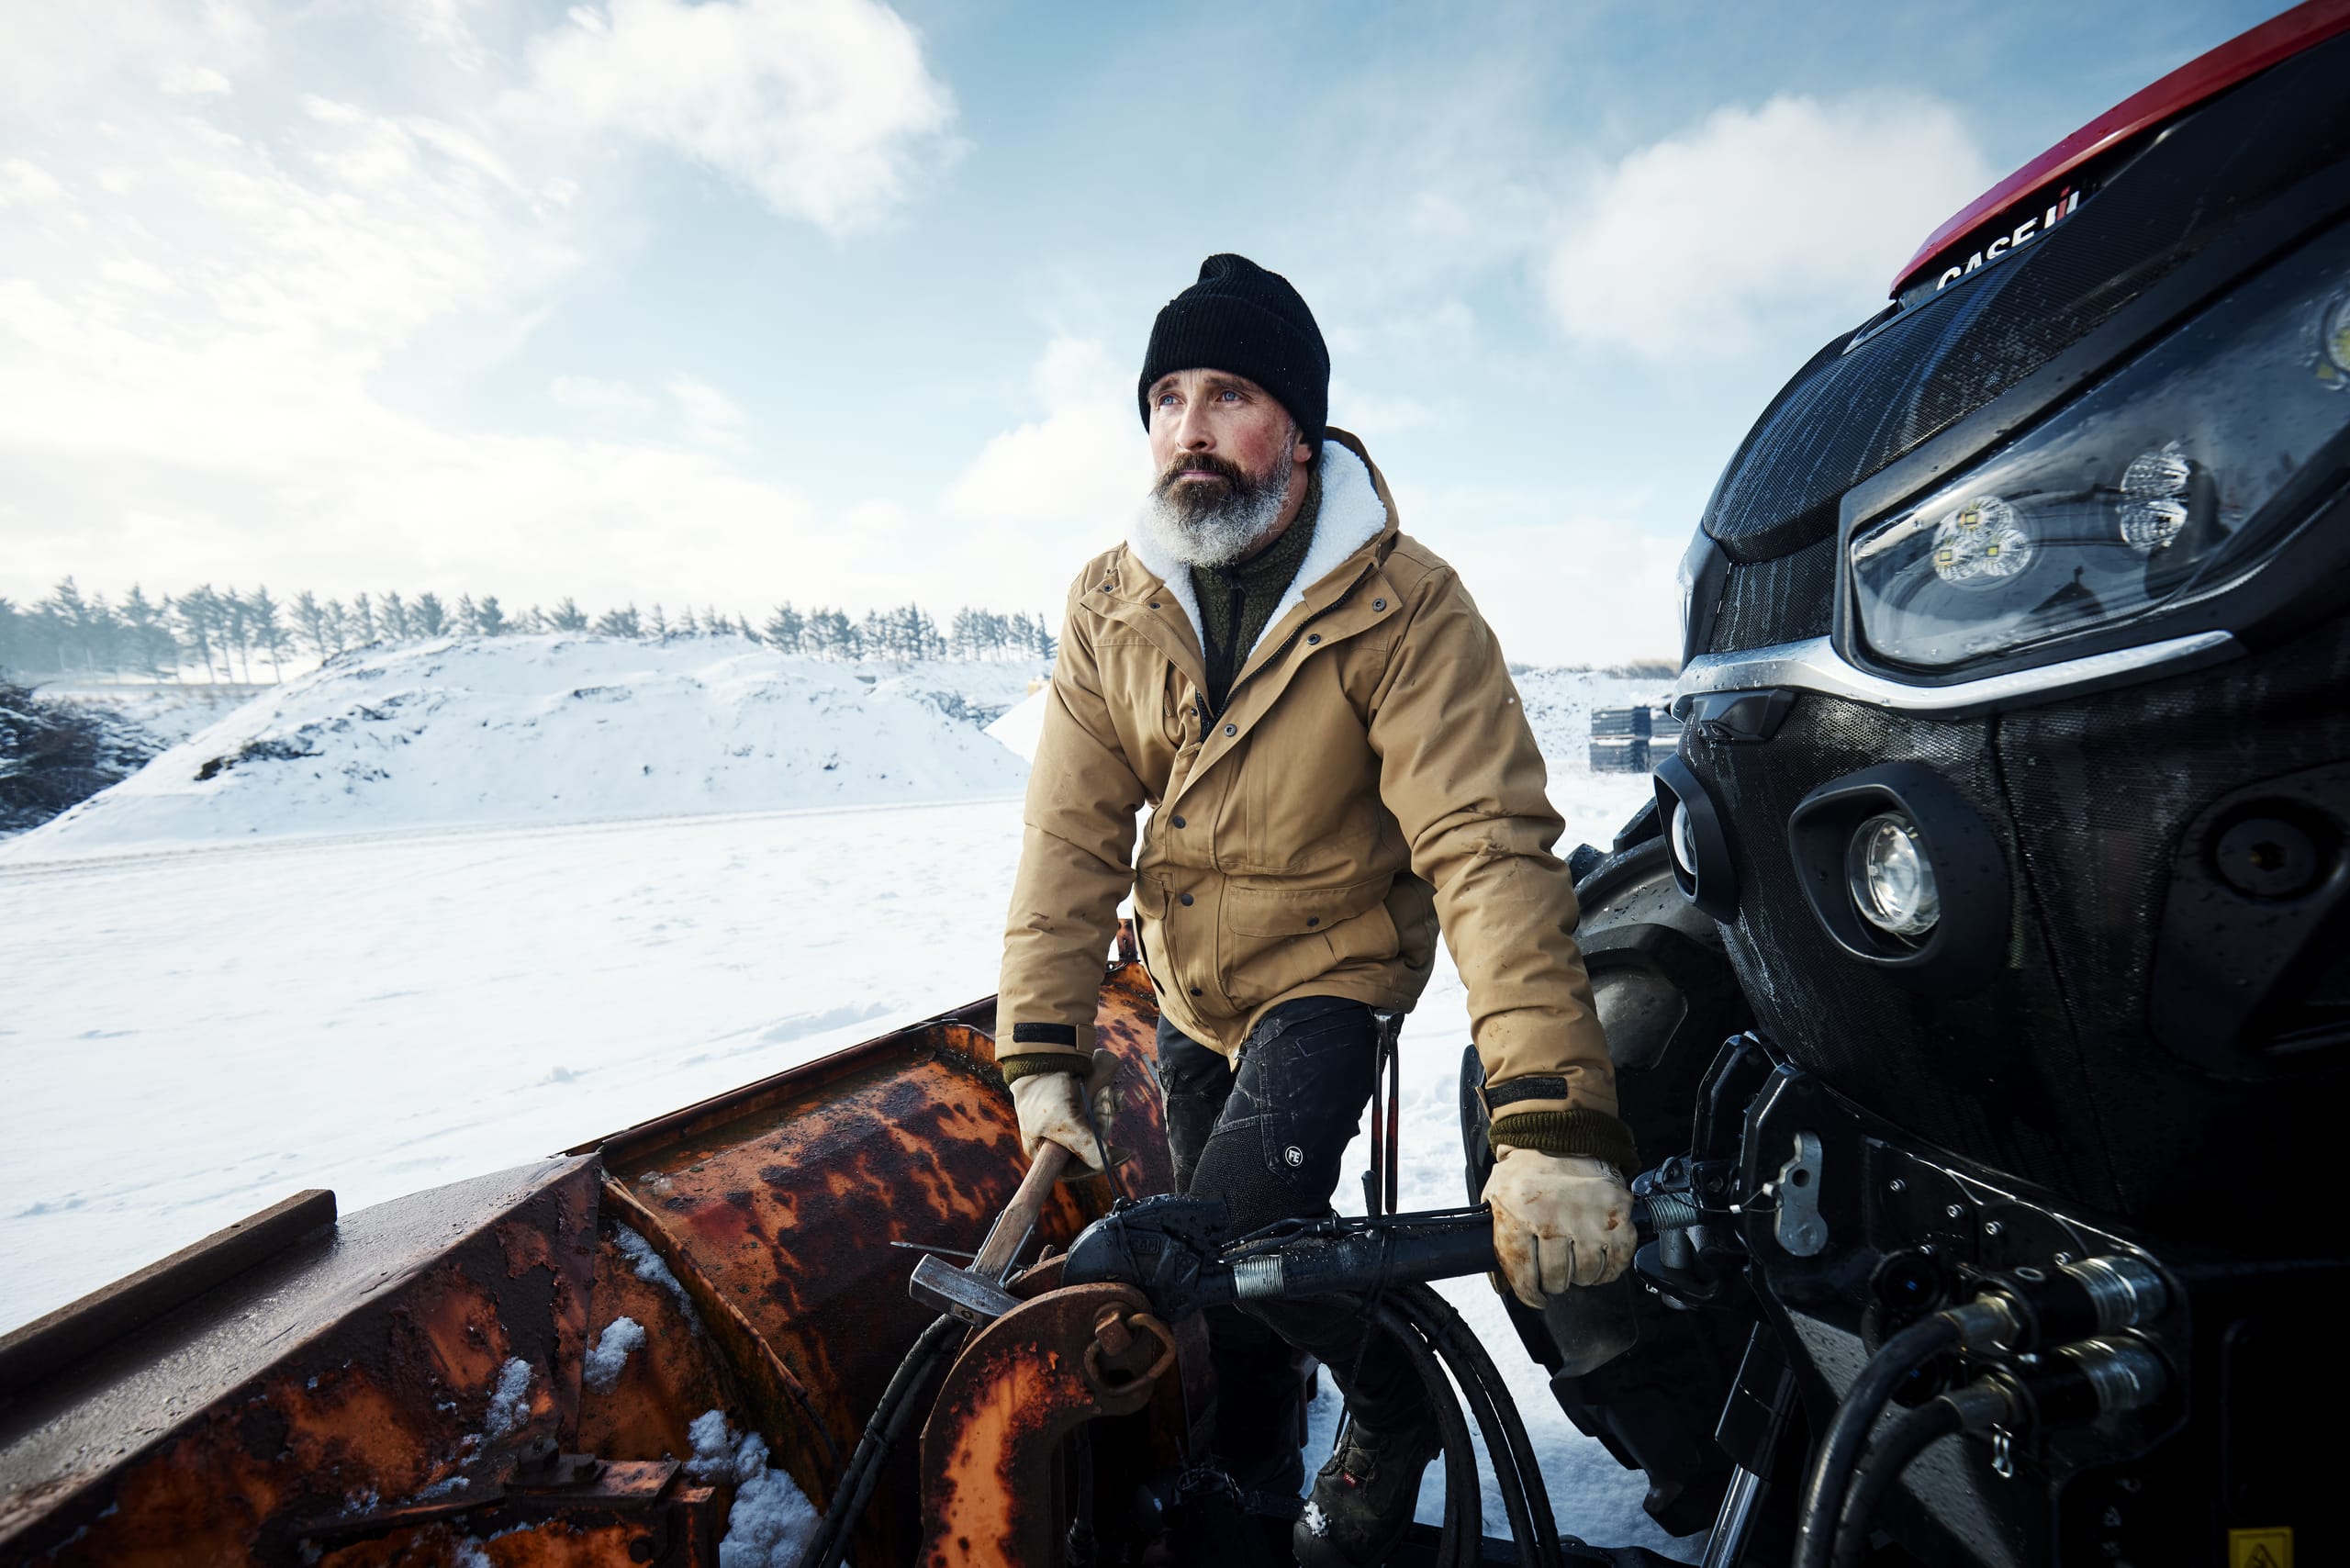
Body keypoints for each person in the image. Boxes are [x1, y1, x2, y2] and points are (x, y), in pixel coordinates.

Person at [994, 253, 1638, 1566]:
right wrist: (1040, 1046)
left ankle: (1393, 1405)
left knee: (1230, 1239)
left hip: (1335, 969)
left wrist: (1551, 1119)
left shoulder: (1406, 605)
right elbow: (1070, 833)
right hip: (1189, 985)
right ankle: (1255, 1479)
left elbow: (1486, 848)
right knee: (1232, 1262)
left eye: (1228, 394)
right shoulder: (1112, 603)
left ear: (1299, 429)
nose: (1189, 428)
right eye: (1166, 398)